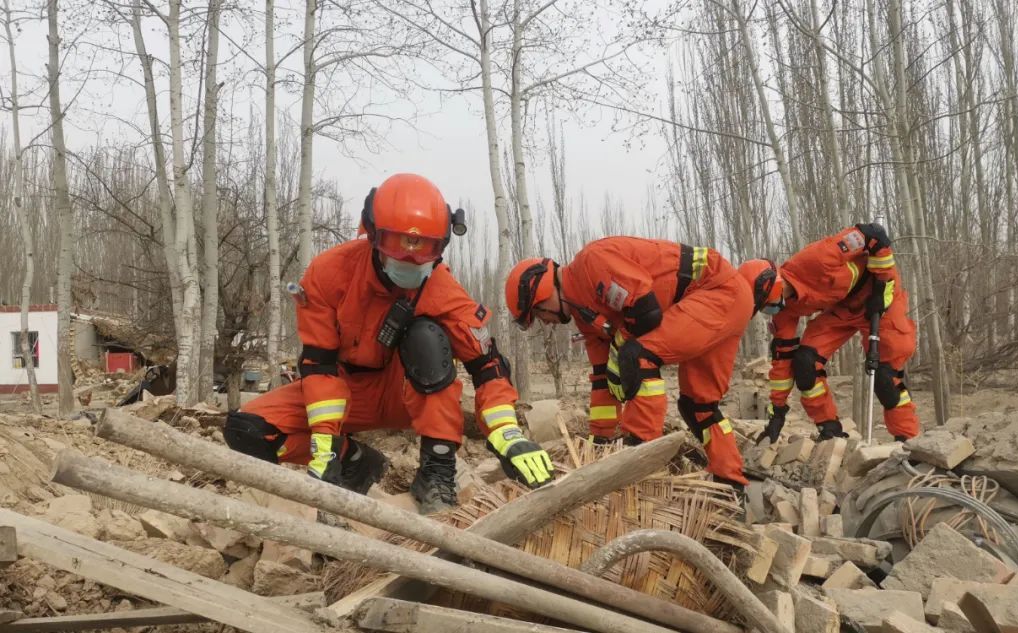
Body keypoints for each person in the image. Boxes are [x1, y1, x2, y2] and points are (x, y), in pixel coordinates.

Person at [224, 173, 553, 514]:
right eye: (400, 247)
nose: (410, 260)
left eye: (423, 249)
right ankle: (355, 461)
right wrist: (325, 446)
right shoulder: (329, 274)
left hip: (404, 392)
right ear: (373, 235)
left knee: (427, 337)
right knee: (248, 430)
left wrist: (508, 435)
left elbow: (487, 366)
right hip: (343, 390)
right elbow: (318, 366)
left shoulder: (441, 288)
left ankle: (437, 472)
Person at [505, 237, 752, 489]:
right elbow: (603, 380)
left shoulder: (591, 264)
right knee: (698, 406)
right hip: (713, 302)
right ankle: (731, 482)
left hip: (717, 291)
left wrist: (619, 345)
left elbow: (646, 313)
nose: (544, 321)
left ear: (543, 293)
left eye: (537, 313)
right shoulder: (584, 317)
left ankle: (642, 453)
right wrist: (598, 442)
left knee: (638, 357)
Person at [738, 223, 919, 445]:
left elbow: (874, 235)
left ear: (771, 288)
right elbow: (782, 364)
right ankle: (830, 430)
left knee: (885, 378)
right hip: (843, 308)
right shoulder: (784, 312)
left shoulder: (818, 258)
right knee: (805, 362)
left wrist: (883, 287)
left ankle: (908, 440)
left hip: (879, 300)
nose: (767, 312)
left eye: (763, 305)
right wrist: (777, 413)